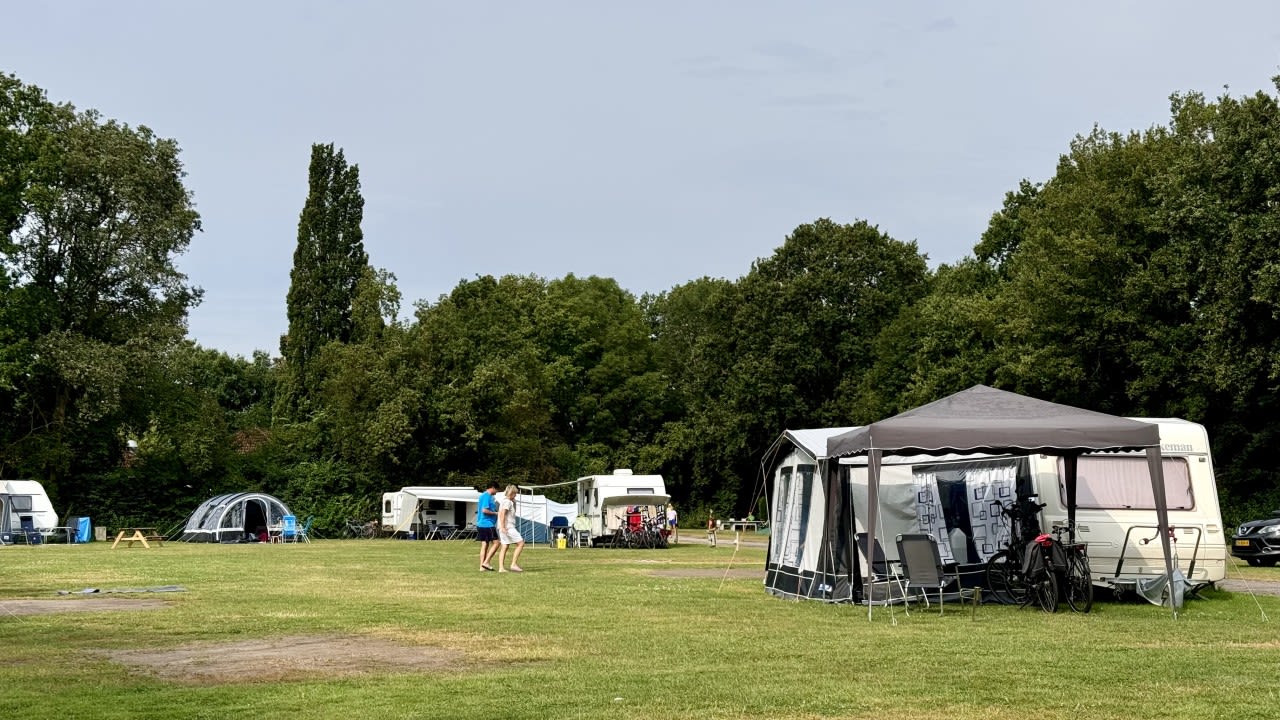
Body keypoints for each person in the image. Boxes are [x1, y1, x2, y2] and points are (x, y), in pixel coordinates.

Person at [495, 484, 526, 572]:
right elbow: (502, 514)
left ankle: (501, 568)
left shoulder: (505, 501)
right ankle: (513, 564)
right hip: (508, 527)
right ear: (511, 493)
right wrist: (503, 527)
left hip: (503, 527)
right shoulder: (507, 502)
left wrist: (514, 502)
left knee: (504, 546)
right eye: (515, 493)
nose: (516, 495)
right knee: (520, 543)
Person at [476, 481, 501, 571]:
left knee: (485, 544)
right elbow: (484, 510)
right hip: (487, 524)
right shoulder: (486, 496)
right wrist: (496, 513)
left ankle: (481, 567)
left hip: (481, 524)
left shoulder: (484, 496)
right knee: (497, 543)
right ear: (493, 487)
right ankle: (486, 562)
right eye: (497, 489)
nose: (497, 492)